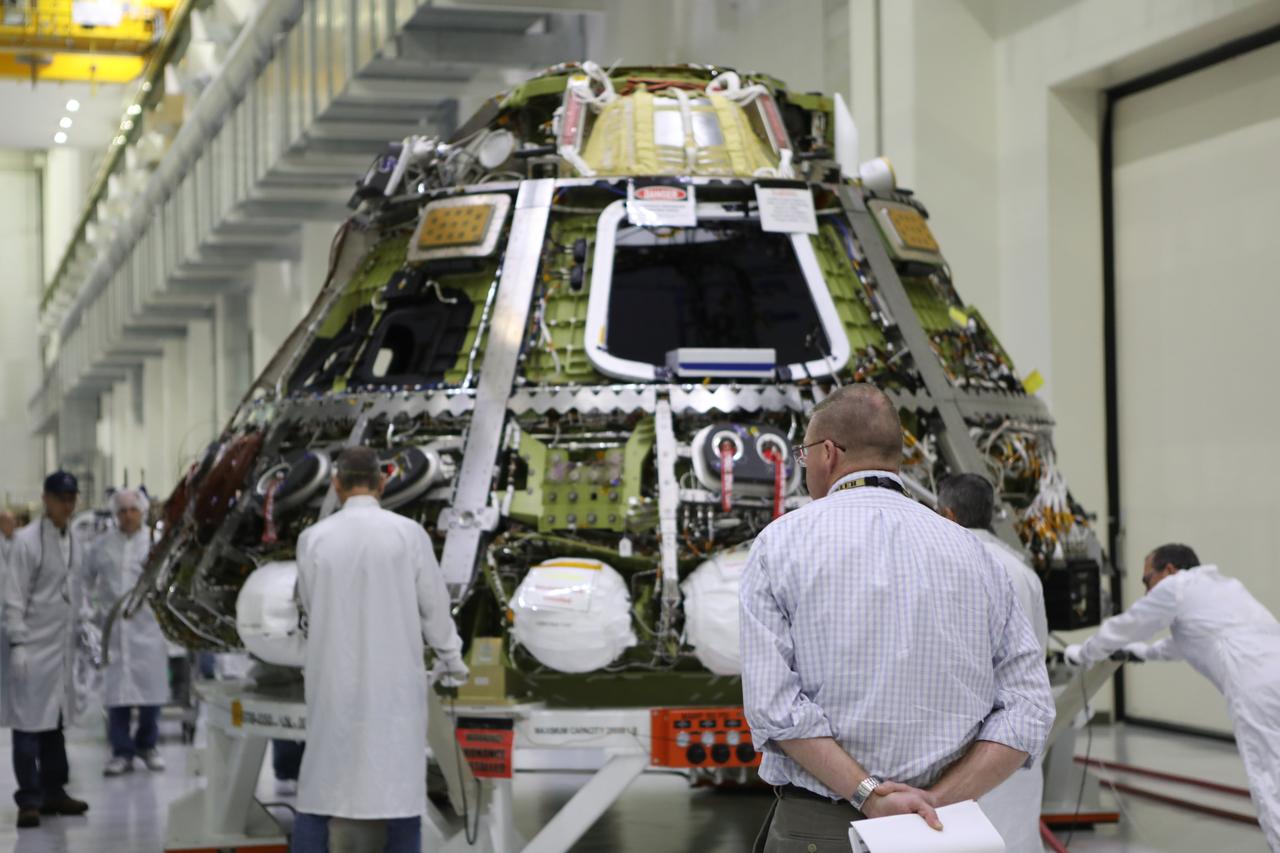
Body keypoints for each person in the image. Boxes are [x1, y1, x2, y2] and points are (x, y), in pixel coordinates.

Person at [740, 385, 1054, 851]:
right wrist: (936, 802)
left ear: (828, 453)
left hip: (823, 829)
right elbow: (1029, 710)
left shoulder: (779, 545)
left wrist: (869, 796)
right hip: (946, 831)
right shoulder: (976, 553)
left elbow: (775, 709)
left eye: (804, 454)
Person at [291, 447, 468, 853]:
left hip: (333, 683)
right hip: (395, 688)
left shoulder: (313, 539)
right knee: (401, 796)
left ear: (336, 485)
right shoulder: (408, 534)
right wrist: (452, 659)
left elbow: (310, 606)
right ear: (382, 482)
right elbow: (434, 607)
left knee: (319, 791)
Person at [1064, 544, 1280, 851]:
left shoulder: (1176, 587)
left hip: (1256, 687)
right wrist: (1137, 653)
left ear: (1169, 571)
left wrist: (1083, 653)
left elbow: (1126, 627)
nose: (1146, 589)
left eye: (1146, 580)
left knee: (1269, 779)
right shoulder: (1222, 589)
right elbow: (1181, 644)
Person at [937, 473, 1049, 853]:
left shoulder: (944, 567)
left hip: (959, 746)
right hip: (1015, 741)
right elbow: (1037, 655)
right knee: (1015, 835)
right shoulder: (1024, 572)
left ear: (947, 515)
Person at [1, 472, 91, 829]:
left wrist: (83, 626)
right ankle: (29, 800)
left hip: (60, 647)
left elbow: (74, 589)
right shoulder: (26, 542)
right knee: (27, 724)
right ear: (46, 499)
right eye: (60, 498)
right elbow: (13, 596)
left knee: (54, 722)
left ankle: (54, 791)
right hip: (32, 648)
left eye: (72, 498)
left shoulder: (74, 539)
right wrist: (18, 642)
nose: (67, 505)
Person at [84, 488, 170, 776]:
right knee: (116, 694)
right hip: (114, 631)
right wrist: (88, 615)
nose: (128, 516)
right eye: (122, 511)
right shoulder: (101, 545)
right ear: (115, 514)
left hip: (148, 629)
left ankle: (148, 745)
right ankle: (121, 751)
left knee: (151, 692)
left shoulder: (157, 544)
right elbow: (84, 580)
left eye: (133, 510)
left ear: (142, 512)